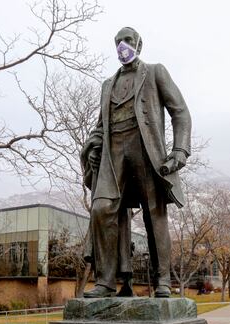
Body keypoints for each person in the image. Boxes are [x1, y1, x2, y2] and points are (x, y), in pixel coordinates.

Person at [81, 26, 192, 298]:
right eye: (118, 42)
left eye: (128, 41)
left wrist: (180, 150)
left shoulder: (155, 72)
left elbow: (180, 112)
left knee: (154, 213)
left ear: (138, 45)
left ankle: (163, 279)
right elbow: (100, 125)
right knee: (101, 208)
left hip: (146, 151)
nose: (123, 46)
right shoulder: (108, 85)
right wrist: (93, 146)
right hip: (113, 152)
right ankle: (106, 281)